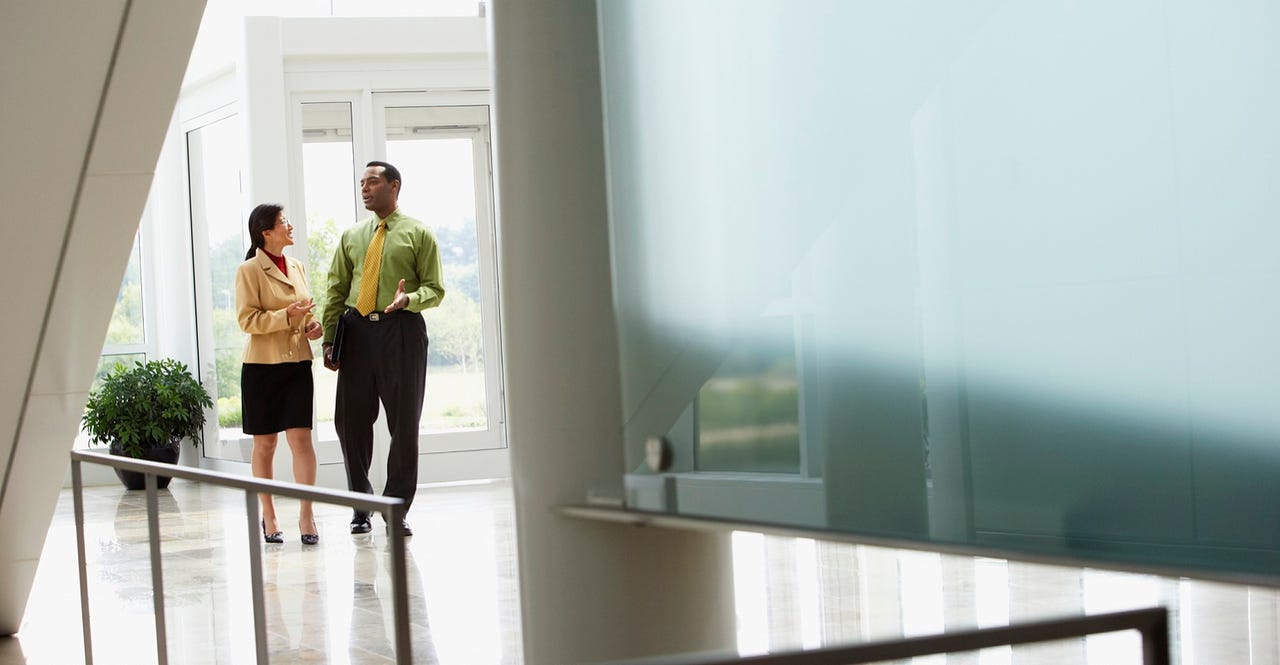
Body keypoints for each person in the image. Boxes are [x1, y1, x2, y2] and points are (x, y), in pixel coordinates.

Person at [320, 161, 445, 537]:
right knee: (350, 424)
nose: (364, 188)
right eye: (361, 183)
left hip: (402, 332)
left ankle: (395, 508)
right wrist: (329, 338)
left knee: (404, 424)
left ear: (394, 186)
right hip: (356, 332)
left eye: (372, 182)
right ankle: (361, 505)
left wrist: (409, 300)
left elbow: (435, 289)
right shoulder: (352, 236)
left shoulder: (419, 233)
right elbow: (336, 288)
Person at [235, 203, 325, 545]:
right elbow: (247, 321)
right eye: (283, 222)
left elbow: (301, 316)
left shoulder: (298, 266)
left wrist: (310, 326)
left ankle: (306, 515)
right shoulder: (248, 270)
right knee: (266, 444)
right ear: (265, 232)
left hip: (298, 364)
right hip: (261, 368)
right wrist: (286, 316)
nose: (290, 226)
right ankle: (268, 514)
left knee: (301, 440)